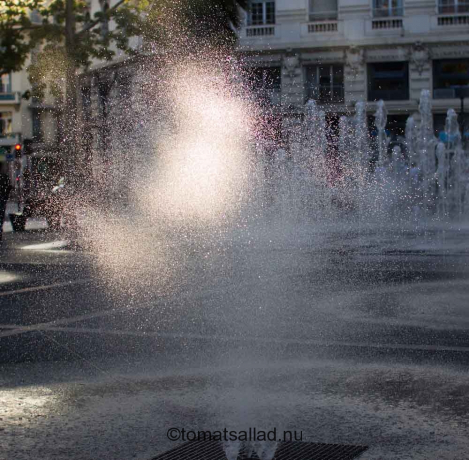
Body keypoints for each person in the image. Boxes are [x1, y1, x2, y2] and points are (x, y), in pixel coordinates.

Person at [0, 164, 13, 242]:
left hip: (2, 199)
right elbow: (9, 187)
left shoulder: (4, 176)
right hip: (2, 200)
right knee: (1, 216)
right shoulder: (4, 176)